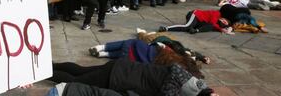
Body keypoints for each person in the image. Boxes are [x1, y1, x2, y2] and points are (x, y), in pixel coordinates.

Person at [50, 58, 216, 96]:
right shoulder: (173, 87)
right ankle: (45, 72)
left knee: (80, 70)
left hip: (122, 67)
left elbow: (202, 88)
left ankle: (49, 65)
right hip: (118, 76)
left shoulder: (186, 77)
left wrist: (209, 92)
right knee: (75, 81)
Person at [88, 39, 204, 79]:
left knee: (128, 43)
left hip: (131, 47)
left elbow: (155, 45)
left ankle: (102, 47)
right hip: (127, 59)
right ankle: (105, 54)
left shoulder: (169, 53)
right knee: (126, 52)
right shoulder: (169, 68)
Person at [159, 10, 233, 34]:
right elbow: (212, 23)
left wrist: (226, 29)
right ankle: (166, 28)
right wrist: (221, 29)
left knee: (210, 27)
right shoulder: (217, 13)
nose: (223, 21)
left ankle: (195, 30)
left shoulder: (216, 24)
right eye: (225, 21)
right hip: (195, 15)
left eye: (224, 23)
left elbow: (211, 25)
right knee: (187, 26)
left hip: (199, 22)